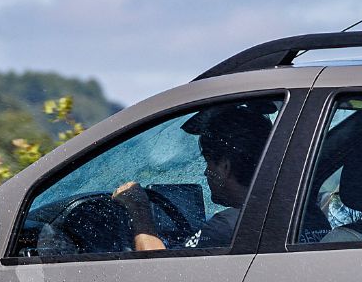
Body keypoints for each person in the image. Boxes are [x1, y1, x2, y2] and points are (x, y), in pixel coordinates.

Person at [110, 103, 273, 252]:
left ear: (225, 166)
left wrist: (139, 210)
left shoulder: (227, 228)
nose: (205, 172)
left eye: (208, 163)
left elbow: (161, 271)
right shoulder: (273, 213)